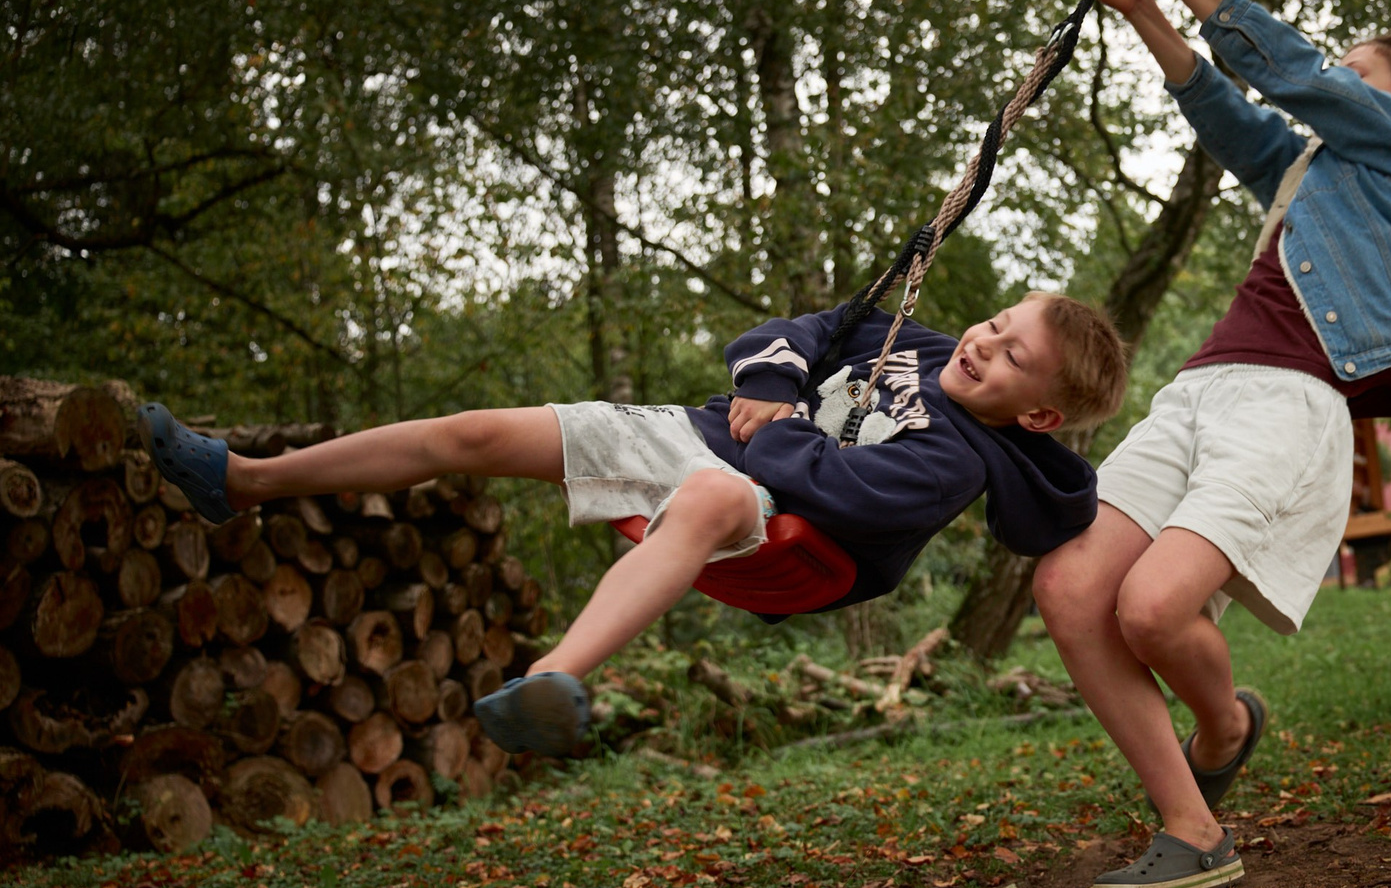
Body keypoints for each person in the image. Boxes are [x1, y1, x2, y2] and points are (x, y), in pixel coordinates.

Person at [1033, 0, 1391, 888]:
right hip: (1201, 389)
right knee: (1072, 590)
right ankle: (1193, 826)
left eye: (1359, 70)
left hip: (1288, 403)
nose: (1335, 80)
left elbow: (1284, 69)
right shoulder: (1318, 169)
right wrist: (1137, 7)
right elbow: (1229, 112)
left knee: (1156, 607)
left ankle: (1227, 726)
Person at [139, 292, 1129, 754]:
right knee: (476, 431)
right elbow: (800, 331)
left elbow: (835, 492)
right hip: (717, 438)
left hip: (801, 541)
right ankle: (246, 475)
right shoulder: (914, 336)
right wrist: (780, 381)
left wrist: (777, 430)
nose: (982, 345)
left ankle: (550, 677)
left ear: (1037, 414)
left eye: (1009, 359)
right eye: (995, 324)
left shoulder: (958, 460)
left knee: (705, 498)